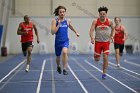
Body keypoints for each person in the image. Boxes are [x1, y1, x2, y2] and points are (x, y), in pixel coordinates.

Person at [51, 6, 79, 75]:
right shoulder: (55, 21)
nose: (62, 13)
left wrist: (76, 32)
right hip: (57, 42)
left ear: (65, 13)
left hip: (65, 41)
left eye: (63, 12)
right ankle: (58, 66)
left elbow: (71, 26)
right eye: (60, 12)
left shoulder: (67, 21)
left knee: (64, 52)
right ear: (58, 13)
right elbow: (53, 32)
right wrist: (59, 24)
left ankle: (64, 69)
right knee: (58, 57)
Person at [89, 6, 115, 79]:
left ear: (106, 14)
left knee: (105, 57)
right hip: (98, 42)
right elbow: (91, 30)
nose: (102, 15)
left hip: (106, 42)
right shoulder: (95, 21)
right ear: (99, 14)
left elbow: (113, 29)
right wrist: (92, 38)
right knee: (97, 59)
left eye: (104, 14)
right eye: (101, 14)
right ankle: (96, 56)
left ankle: (104, 73)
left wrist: (112, 36)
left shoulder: (109, 21)